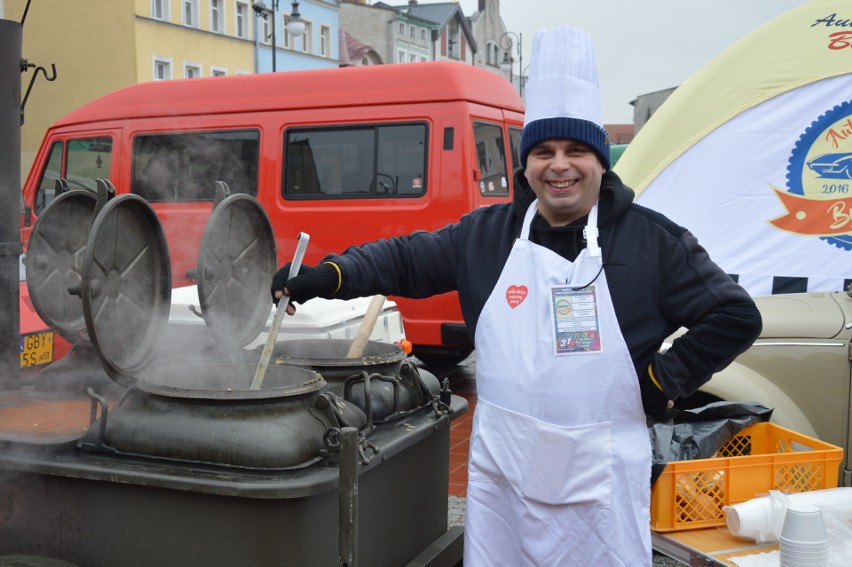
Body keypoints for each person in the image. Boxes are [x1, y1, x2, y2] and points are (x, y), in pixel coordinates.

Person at [271, 27, 761, 566]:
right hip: (504, 482)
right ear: (526, 163)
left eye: (576, 150)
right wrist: (328, 276)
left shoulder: (652, 242)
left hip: (598, 493)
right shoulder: (488, 235)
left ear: (600, 160)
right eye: (544, 151)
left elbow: (734, 315)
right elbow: (404, 259)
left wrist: (663, 379)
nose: (559, 165)